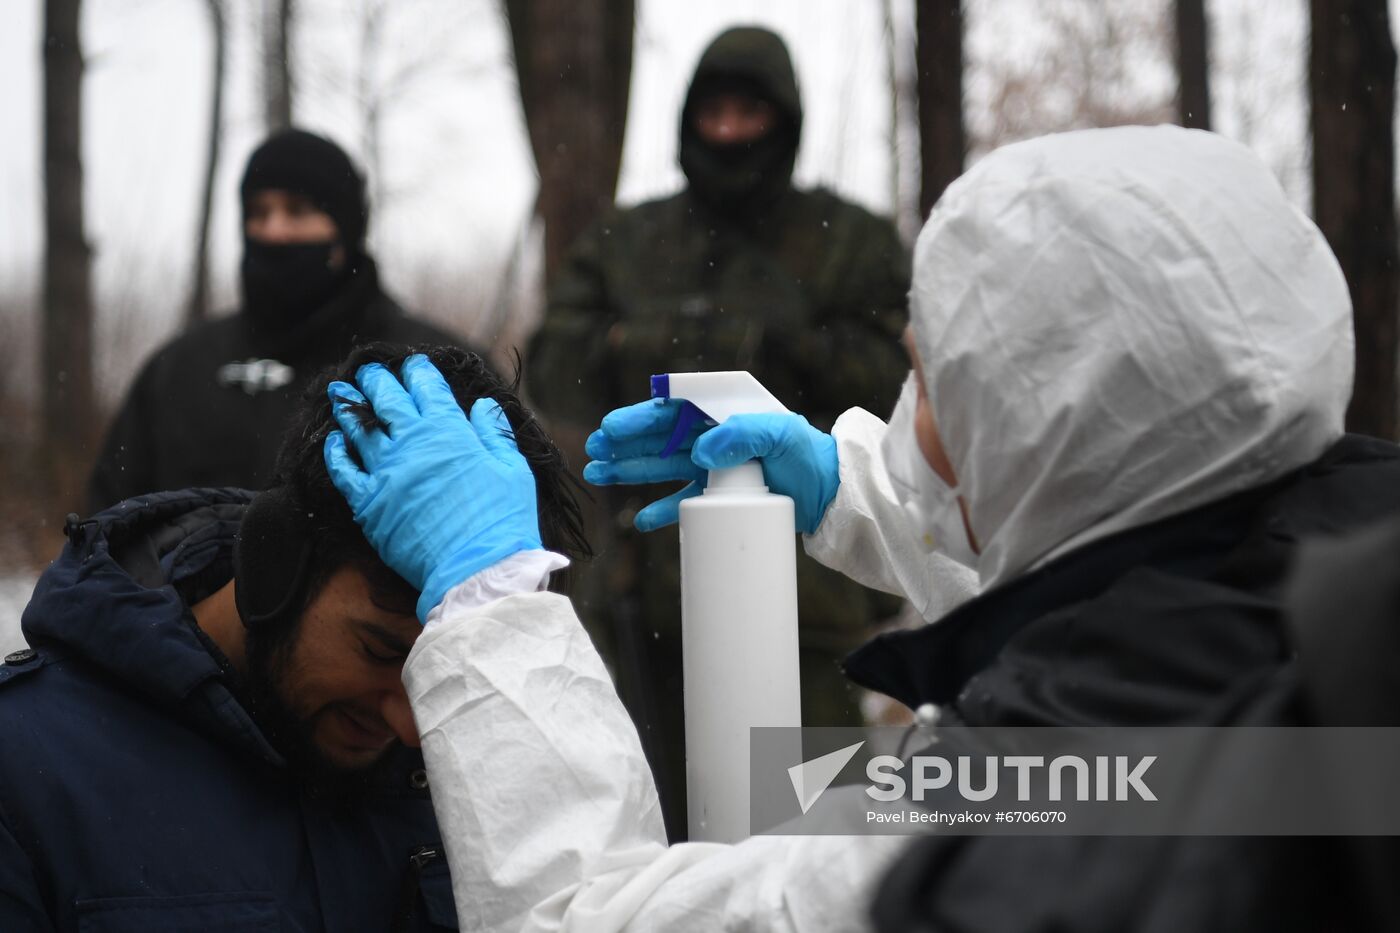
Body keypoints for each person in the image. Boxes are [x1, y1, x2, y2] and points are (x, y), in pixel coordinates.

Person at [321, 125, 1400, 931]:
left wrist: (491, 600)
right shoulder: (1332, 598)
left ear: (1026, 426)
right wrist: (841, 490)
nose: (909, 419)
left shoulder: (1022, 824)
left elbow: (590, 917)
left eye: (931, 382)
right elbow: (1105, 519)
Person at [0, 344, 588, 930]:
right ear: (272, 562)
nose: (412, 724)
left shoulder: (488, 764)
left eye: (449, 671)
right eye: (382, 652)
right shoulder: (28, 768)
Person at [527, 25, 910, 837]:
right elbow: (558, 359)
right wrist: (659, 344)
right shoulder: (627, 241)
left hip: (809, 593)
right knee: (639, 835)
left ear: (787, 120)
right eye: (716, 112)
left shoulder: (849, 240)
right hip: (635, 589)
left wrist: (779, 346)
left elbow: (894, 375)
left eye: (750, 112)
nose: (731, 133)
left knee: (815, 831)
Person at [87, 129, 475, 512]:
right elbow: (103, 537)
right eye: (258, 212)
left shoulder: (427, 369)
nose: (274, 230)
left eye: (298, 210)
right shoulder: (179, 371)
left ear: (345, 230)